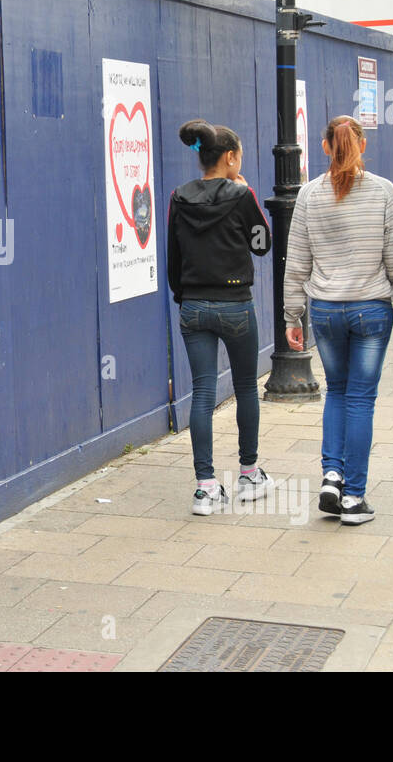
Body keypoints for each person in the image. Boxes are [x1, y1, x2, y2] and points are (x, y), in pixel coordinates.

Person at [283, 116, 393, 525]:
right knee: (360, 399)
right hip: (371, 309)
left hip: (325, 310)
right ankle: (354, 497)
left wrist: (292, 315)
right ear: (363, 145)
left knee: (336, 392)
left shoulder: (308, 195)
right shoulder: (384, 192)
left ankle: (331, 475)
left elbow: (297, 261)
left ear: (323, 147)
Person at [168, 119, 274, 515]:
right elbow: (262, 245)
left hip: (193, 305)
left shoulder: (179, 197)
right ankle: (249, 474)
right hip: (235, 303)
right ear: (230, 158)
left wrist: (185, 297)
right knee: (246, 387)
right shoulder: (240, 195)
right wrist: (248, 196)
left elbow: (173, 258)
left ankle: (206, 486)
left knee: (203, 393)